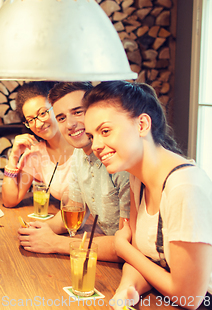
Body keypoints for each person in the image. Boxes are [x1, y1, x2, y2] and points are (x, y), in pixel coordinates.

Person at [83, 81, 212, 309]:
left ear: (142, 124)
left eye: (105, 131)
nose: (95, 145)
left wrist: (122, 247)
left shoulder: (185, 188)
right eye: (92, 136)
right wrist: (127, 288)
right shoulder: (137, 177)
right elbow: (142, 257)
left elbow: (190, 297)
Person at [17, 82, 130, 262]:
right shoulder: (79, 154)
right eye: (61, 118)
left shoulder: (119, 159)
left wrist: (55, 243)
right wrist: (40, 230)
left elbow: (129, 246)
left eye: (78, 112)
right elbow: (72, 212)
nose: (70, 124)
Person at [2, 81, 74, 207]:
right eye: (30, 120)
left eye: (42, 113)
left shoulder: (83, 143)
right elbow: (10, 200)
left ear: (56, 107)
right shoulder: (35, 154)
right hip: (67, 220)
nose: (39, 124)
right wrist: (14, 155)